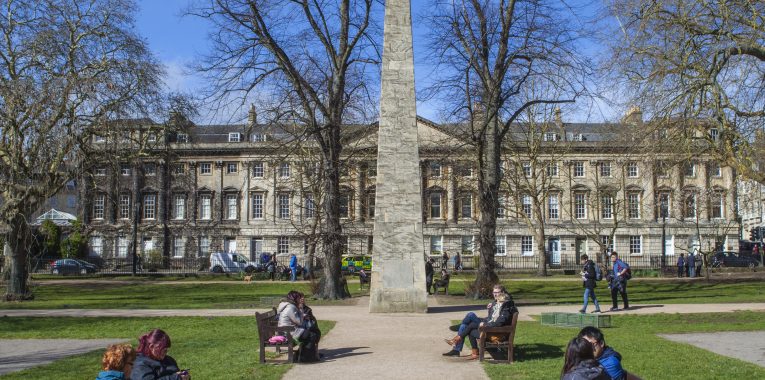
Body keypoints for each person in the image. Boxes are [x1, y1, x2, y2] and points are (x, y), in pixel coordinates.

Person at [442, 284, 518, 360]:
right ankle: (465, 346)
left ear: (503, 292)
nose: (495, 294)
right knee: (467, 324)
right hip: (490, 326)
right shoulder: (497, 302)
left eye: (497, 292)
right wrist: (491, 308)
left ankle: (460, 346)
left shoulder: (506, 305)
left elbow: (499, 321)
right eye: (494, 292)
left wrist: (485, 324)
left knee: (469, 322)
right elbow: (491, 317)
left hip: (494, 331)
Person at [277, 290, 321, 362]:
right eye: (298, 298)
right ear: (294, 298)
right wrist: (301, 310)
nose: (299, 299)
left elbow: (295, 319)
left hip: (286, 331)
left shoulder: (289, 306)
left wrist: (302, 315)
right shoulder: (290, 307)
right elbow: (299, 322)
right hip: (288, 333)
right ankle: (304, 358)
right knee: (312, 335)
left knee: (311, 334)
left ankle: (304, 356)